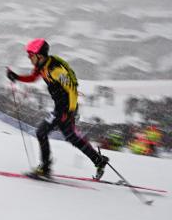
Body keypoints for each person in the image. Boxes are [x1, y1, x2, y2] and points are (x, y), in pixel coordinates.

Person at [6, 38, 108, 179]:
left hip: (66, 107)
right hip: (62, 107)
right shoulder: (42, 65)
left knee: (41, 132)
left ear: (39, 55)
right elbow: (33, 78)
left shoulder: (55, 70)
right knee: (71, 137)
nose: (29, 58)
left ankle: (45, 168)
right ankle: (99, 161)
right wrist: (16, 77)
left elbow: (72, 90)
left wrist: (69, 112)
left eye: (31, 55)